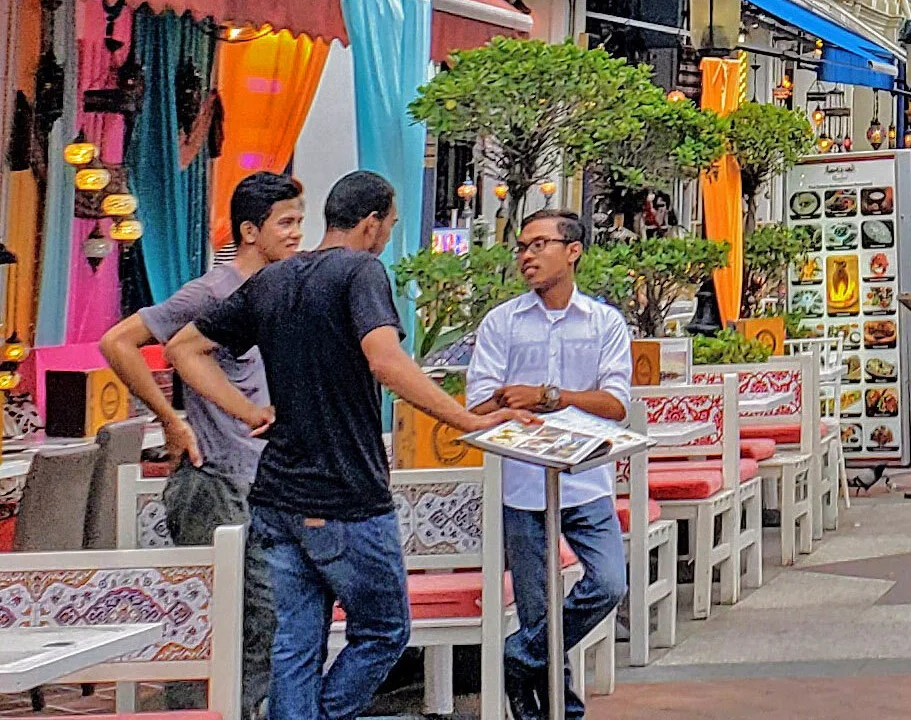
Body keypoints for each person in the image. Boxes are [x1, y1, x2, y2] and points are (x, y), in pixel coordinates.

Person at [169, 171, 528, 720]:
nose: (387, 236)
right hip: (345, 492)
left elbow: (185, 348)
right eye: (389, 225)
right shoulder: (361, 271)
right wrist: (461, 419)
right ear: (370, 223)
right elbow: (385, 360)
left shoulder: (274, 279)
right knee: (384, 630)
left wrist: (248, 412)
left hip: (277, 495)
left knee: (296, 642)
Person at [99, 171, 307, 719]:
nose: (295, 234)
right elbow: (117, 341)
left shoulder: (282, 290)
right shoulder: (211, 292)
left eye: (299, 222)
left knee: (268, 616)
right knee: (217, 616)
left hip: (265, 481)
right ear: (248, 230)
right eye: (285, 223)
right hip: (213, 480)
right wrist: (169, 418)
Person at [467, 211, 631, 720]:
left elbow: (615, 402)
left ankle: (520, 655)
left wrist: (550, 396)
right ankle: (553, 709)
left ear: (573, 250)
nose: (527, 257)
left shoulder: (604, 322)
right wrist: (509, 407)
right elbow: (476, 403)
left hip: (586, 480)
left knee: (609, 582)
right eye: (521, 247)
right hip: (522, 483)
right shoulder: (502, 322)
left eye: (539, 245)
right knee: (537, 608)